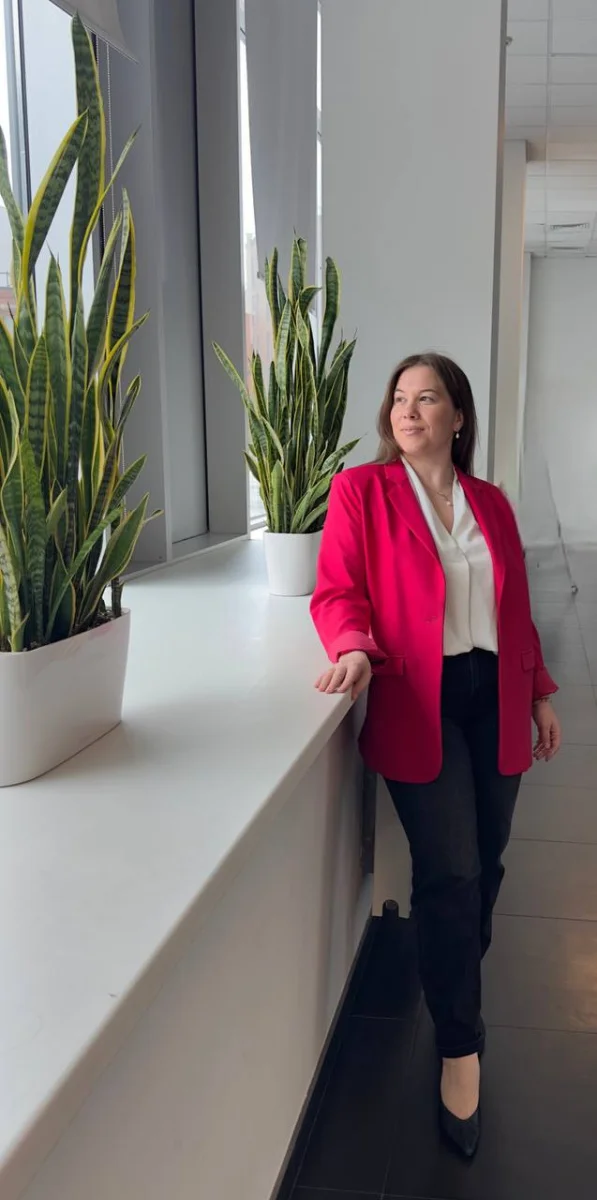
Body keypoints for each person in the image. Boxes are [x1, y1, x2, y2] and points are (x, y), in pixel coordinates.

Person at [310, 352, 561, 1159]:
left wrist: (539, 691)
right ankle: (459, 1044)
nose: (408, 411)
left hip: (496, 693)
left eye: (427, 398)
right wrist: (351, 646)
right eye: (398, 398)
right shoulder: (362, 490)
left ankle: (452, 969)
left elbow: (515, 608)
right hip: (421, 698)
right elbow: (338, 588)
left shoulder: (490, 502)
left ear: (458, 416)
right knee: (449, 869)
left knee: (486, 861)